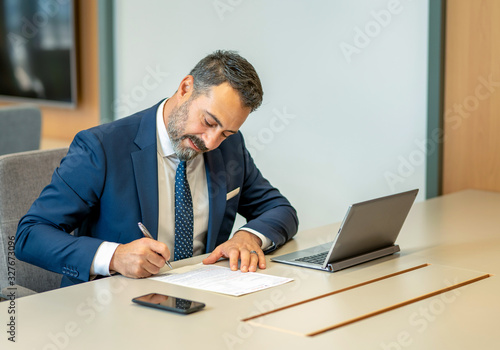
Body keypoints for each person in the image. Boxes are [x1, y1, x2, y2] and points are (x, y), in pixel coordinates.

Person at [15, 50, 298, 287]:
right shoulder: (102, 147)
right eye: (209, 122)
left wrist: (248, 236)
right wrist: (114, 256)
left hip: (204, 300)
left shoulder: (229, 149)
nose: (211, 142)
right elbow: (31, 235)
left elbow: (280, 210)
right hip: (113, 308)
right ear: (186, 88)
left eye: (226, 133)